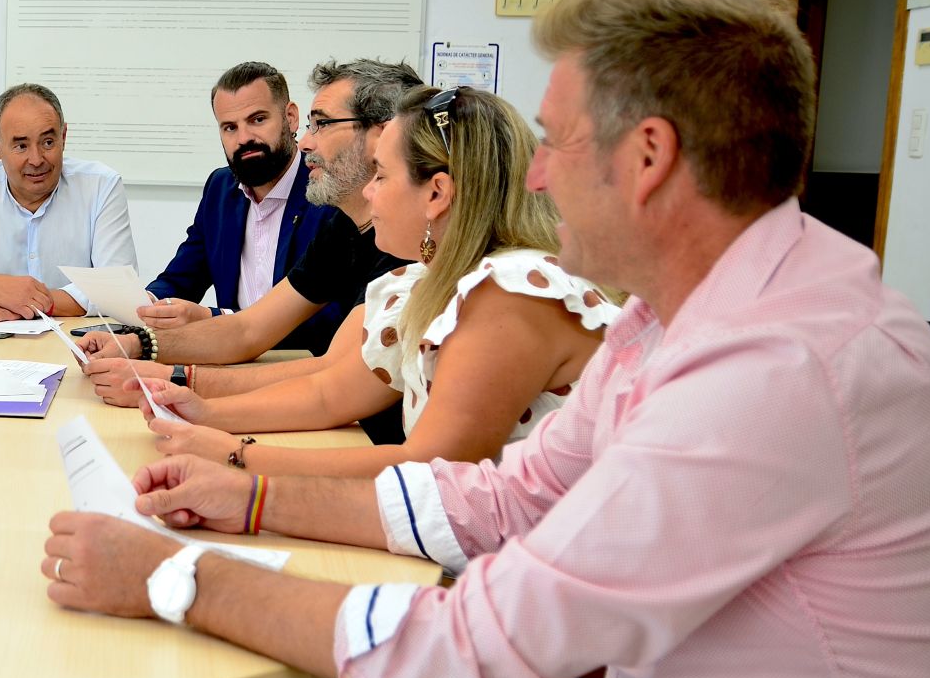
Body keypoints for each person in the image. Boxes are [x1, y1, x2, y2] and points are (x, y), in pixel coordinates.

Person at [38, 0, 930, 678]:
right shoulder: (673, 316)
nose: (538, 173)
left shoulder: (777, 369)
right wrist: (249, 494)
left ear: (648, 157)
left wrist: (175, 578)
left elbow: (480, 643)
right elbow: (503, 493)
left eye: (558, 141)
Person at [140, 84, 617, 480]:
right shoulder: (425, 281)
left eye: (382, 177)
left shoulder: (513, 292)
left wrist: (236, 458)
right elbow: (329, 394)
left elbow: (429, 469)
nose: (369, 193)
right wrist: (205, 414)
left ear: (437, 194)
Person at [78, 61, 421, 440]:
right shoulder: (345, 225)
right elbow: (248, 329)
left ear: (384, 135)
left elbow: (329, 376)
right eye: (229, 127)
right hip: (347, 435)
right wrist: (139, 343)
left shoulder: (408, 244)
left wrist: (178, 380)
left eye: (320, 124)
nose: (307, 141)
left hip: (374, 445)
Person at [142, 62, 335, 356]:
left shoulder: (326, 190)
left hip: (300, 366)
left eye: (257, 120)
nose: (243, 138)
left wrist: (216, 320)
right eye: (230, 127)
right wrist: (145, 305)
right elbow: (181, 279)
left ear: (291, 118)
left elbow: (328, 318)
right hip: (233, 361)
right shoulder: (221, 188)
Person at [0, 82, 136, 320]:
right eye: (21, 146)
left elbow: (118, 288)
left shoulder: (101, 186)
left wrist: (25, 306)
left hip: (78, 344)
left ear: (64, 136)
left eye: (48, 142)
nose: (36, 159)